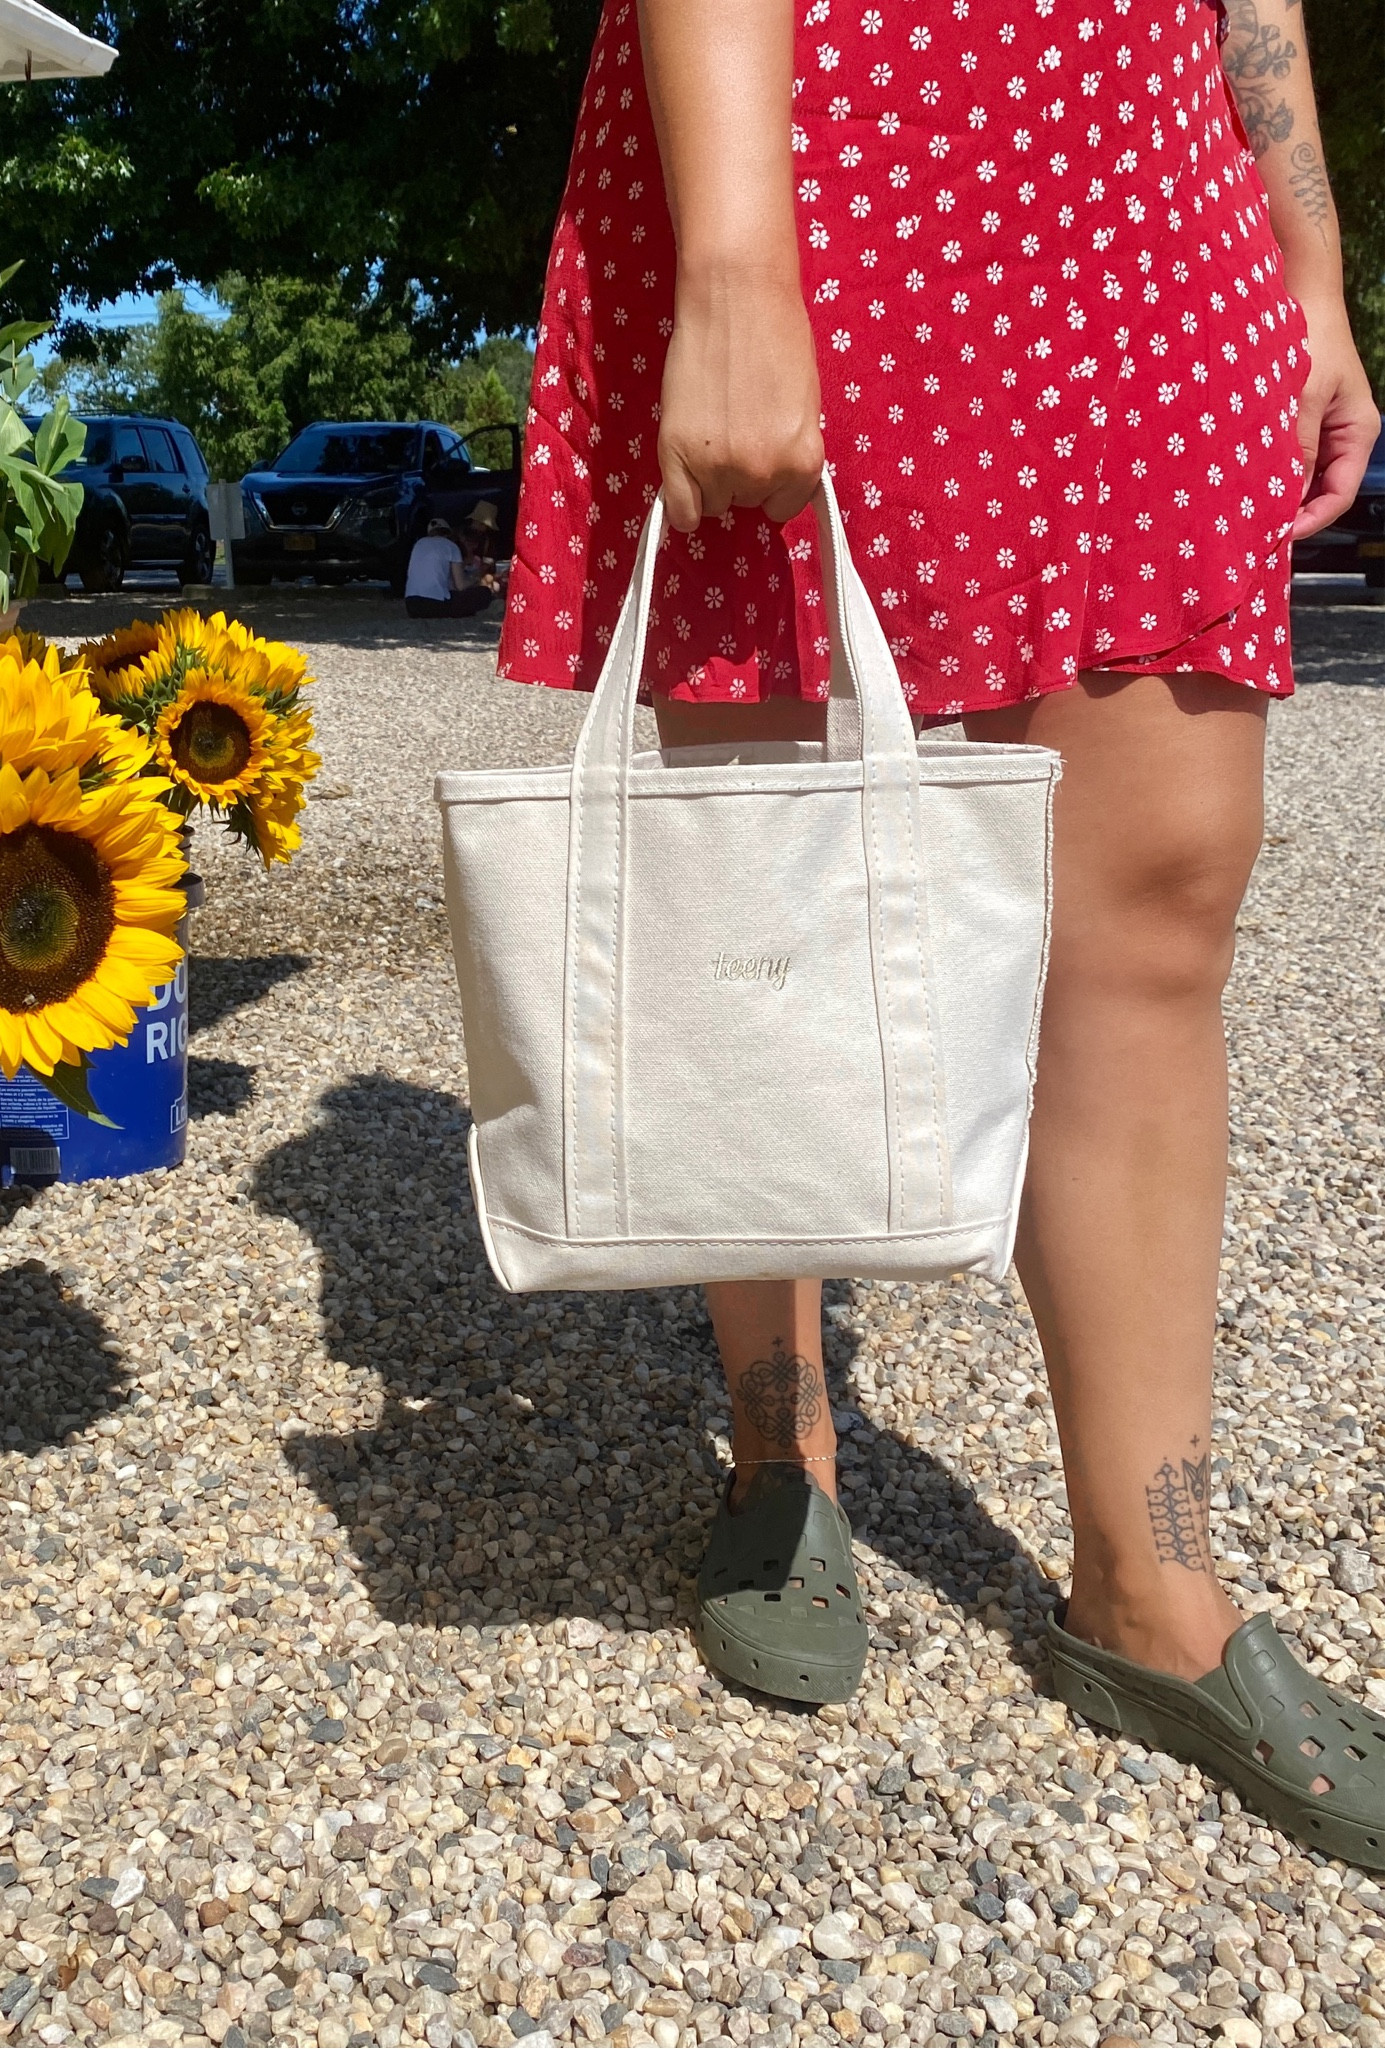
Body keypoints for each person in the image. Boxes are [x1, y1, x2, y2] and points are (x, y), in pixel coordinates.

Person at [497, 0, 1383, 1848]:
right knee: (766, 889)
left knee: (1153, 903)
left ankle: (1155, 1579)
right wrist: (734, 252)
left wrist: (1305, 258)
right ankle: (779, 1450)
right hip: (814, 143)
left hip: (1141, 174)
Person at [405, 518, 495, 619]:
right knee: (484, 592)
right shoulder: (451, 546)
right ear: (448, 534)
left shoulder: (419, 544)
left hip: (411, 605)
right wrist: (477, 577)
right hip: (434, 604)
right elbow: (460, 586)